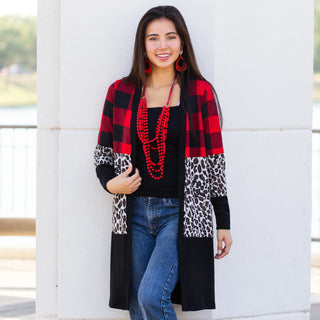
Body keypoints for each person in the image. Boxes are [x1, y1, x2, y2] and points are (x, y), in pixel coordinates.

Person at [94, 5, 233, 320]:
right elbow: (102, 154)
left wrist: (222, 220)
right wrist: (109, 182)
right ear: (143, 45)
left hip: (181, 212)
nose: (162, 46)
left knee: (152, 296)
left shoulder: (199, 93)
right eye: (153, 38)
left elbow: (215, 164)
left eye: (171, 37)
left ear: (182, 43)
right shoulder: (121, 92)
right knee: (136, 304)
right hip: (134, 211)